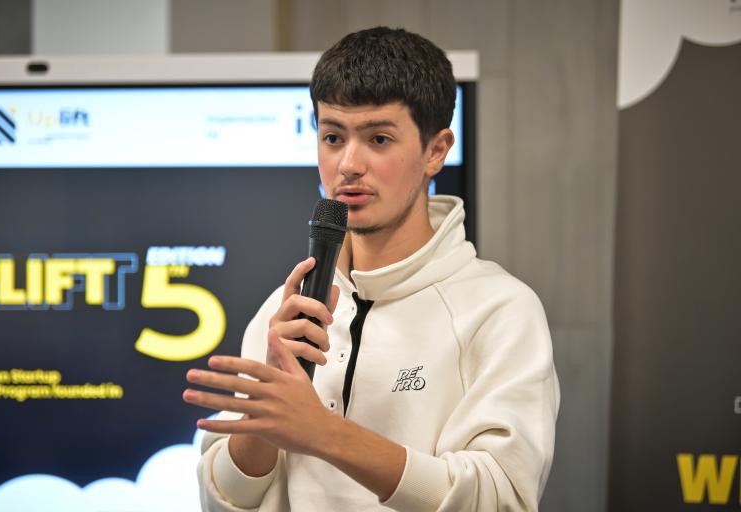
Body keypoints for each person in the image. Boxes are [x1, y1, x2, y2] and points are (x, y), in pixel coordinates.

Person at [183, 26, 560, 512]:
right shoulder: (289, 309)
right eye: (332, 137)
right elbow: (221, 502)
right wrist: (264, 423)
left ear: (436, 150)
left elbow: (503, 498)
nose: (348, 165)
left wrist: (325, 433)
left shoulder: (499, 309)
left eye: (379, 138)